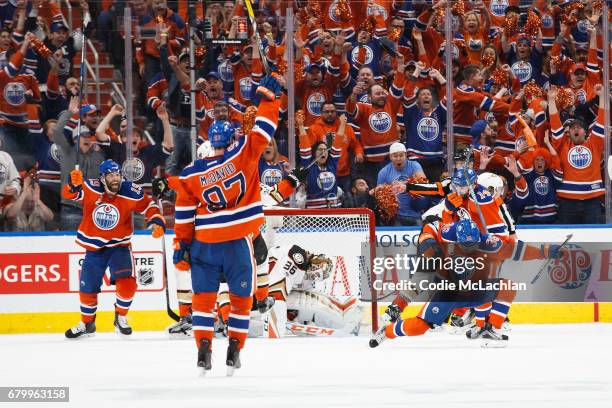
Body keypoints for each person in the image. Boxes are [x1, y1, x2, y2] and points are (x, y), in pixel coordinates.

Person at [172, 75, 282, 376]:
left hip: (204, 243)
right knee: (240, 299)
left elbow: (183, 212)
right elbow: (265, 129)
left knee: (203, 301)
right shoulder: (244, 152)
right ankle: (234, 348)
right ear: (231, 138)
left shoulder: (191, 173)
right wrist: (268, 101)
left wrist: (181, 244)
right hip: (237, 240)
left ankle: (203, 351)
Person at [63, 160, 166, 339]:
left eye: (118, 175)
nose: (116, 178)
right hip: (94, 247)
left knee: (127, 285)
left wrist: (157, 221)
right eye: (111, 175)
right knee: (87, 288)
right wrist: (72, 184)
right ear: (102, 178)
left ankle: (121, 317)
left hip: (119, 245)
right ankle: (87, 324)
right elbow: (70, 195)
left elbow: (149, 206)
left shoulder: (131, 191)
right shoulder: (90, 188)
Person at [548, 84, 605, 224]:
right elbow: (555, 125)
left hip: (592, 200)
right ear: (569, 133)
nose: (575, 129)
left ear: (585, 132)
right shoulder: (563, 145)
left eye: (579, 127)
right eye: (572, 128)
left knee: (593, 242)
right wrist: (551, 100)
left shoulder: (594, 144)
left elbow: (602, 120)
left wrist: (602, 96)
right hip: (568, 202)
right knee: (568, 243)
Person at [374, 143, 427, 226]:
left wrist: (404, 184)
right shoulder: (384, 172)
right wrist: (387, 191)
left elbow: (423, 181)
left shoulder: (414, 165)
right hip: (396, 216)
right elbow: (378, 194)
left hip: (416, 213)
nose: (398, 159)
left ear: (406, 155)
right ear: (390, 157)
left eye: (401, 155)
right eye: (395, 156)